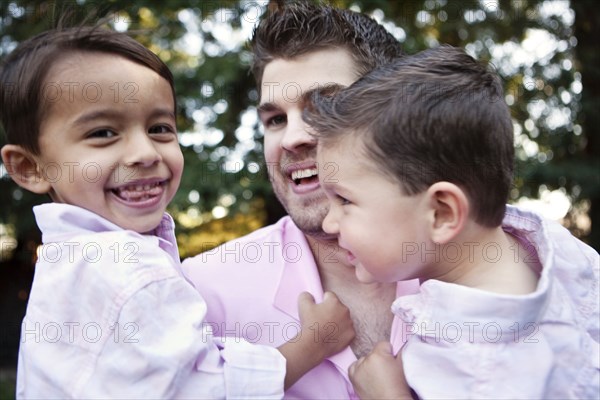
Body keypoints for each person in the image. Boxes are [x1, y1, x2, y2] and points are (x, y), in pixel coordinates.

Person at [0, 25, 355, 398]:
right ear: (29, 167)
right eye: (103, 133)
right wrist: (311, 345)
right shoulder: (128, 270)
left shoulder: (70, 265)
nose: (146, 153)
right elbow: (204, 390)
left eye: (159, 128)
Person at [305, 45, 600, 399]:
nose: (330, 223)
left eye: (345, 200)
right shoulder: (559, 254)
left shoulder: (476, 368)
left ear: (442, 213)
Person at [182, 2, 420, 398]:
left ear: (396, 114)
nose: (292, 138)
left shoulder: (509, 259)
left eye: (324, 105)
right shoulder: (201, 294)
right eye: (275, 119)